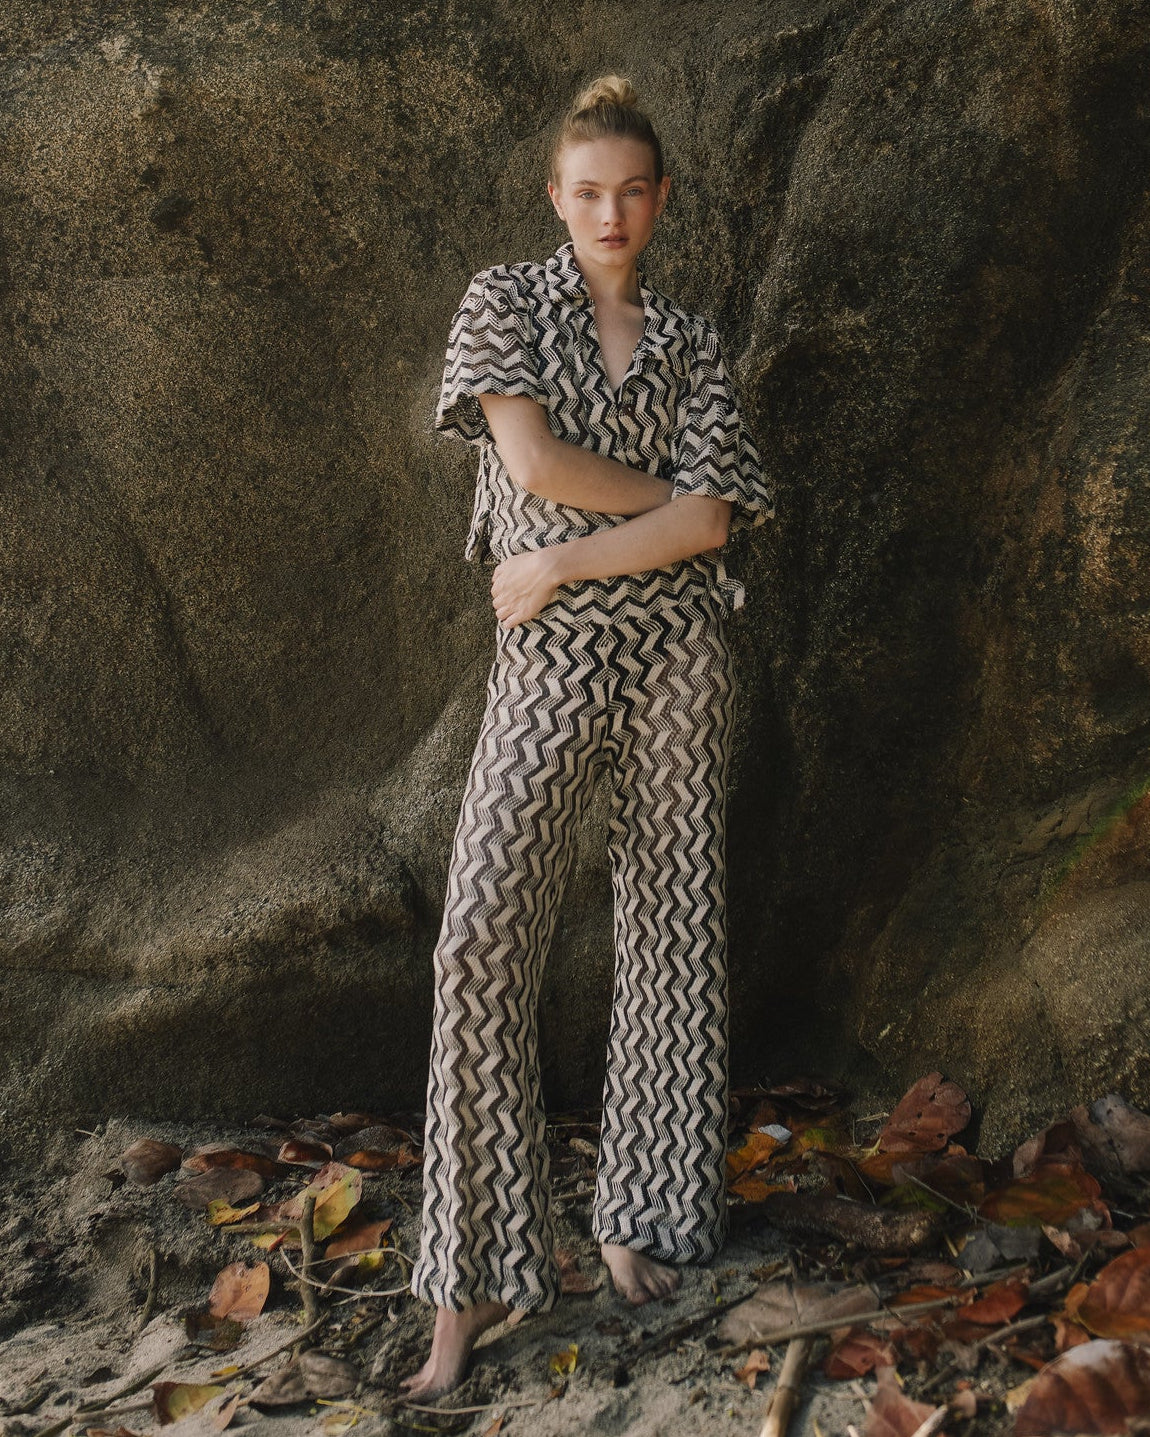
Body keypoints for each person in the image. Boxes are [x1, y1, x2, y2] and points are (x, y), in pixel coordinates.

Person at [401, 74, 774, 1399]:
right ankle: (479, 1266)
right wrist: (661, 512)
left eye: (631, 191)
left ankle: (638, 1220)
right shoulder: (502, 303)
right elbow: (535, 463)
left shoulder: (688, 340)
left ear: (659, 199)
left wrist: (570, 564)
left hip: (675, 647)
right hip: (551, 661)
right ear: (555, 200)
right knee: (477, 938)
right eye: (585, 192)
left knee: (672, 920)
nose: (609, 212)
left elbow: (716, 527)